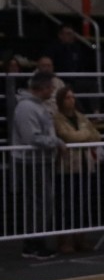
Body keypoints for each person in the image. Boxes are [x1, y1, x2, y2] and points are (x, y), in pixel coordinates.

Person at [12, 71, 65, 259]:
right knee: (38, 202)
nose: (53, 90)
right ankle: (34, 242)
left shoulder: (38, 106)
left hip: (40, 160)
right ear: (42, 87)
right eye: (51, 86)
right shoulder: (26, 107)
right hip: (31, 161)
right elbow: (31, 137)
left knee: (42, 202)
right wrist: (55, 142)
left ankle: (35, 241)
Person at [52, 86, 103, 253]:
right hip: (67, 167)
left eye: (73, 97)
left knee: (82, 203)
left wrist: (83, 135)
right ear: (61, 100)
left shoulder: (81, 117)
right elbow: (69, 136)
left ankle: (80, 237)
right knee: (66, 204)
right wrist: (85, 134)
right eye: (67, 97)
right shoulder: (57, 118)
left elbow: (96, 136)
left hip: (84, 165)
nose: (71, 100)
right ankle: (64, 240)